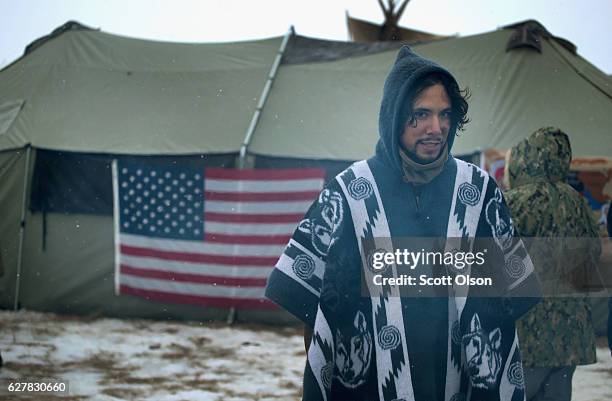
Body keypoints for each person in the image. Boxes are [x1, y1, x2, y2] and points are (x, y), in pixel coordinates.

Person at [266, 46, 539, 401]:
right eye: (420, 114)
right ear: (394, 117)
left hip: (460, 387)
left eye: (444, 114)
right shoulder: (349, 193)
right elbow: (306, 299)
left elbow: (512, 296)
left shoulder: (477, 192)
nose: (436, 128)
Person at [504, 127, 601, 401]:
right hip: (570, 332)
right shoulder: (577, 201)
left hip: (527, 331)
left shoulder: (515, 202)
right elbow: (592, 253)